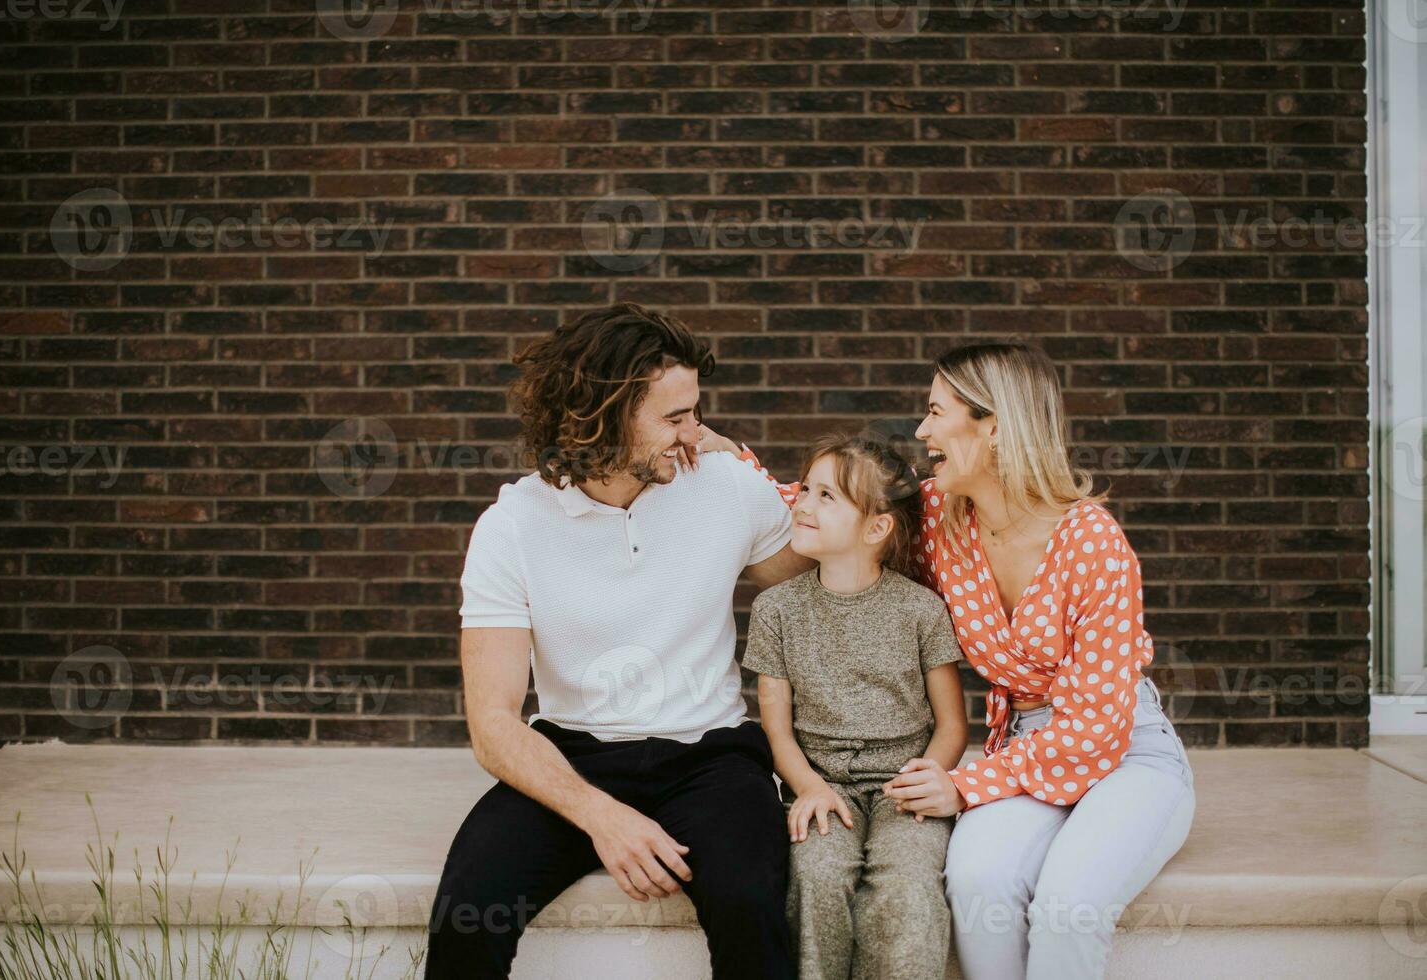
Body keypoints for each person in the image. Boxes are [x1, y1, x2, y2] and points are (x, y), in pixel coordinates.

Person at [705, 341, 1195, 980]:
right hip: (1021, 747)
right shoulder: (941, 517)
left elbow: (1096, 727)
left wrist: (963, 784)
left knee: (1069, 906)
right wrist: (729, 461)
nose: (921, 431)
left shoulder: (1094, 542)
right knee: (976, 882)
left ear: (994, 425)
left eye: (937, 413)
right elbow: (841, 502)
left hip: (1127, 751)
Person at [425, 303, 813, 980]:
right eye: (675, 417)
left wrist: (733, 456)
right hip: (572, 755)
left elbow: (823, 559)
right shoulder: (513, 525)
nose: (695, 431)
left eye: (697, 411)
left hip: (710, 756)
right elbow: (492, 726)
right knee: (466, 912)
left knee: (752, 906)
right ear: (603, 416)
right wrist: (603, 818)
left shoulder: (722, 485)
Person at [743, 432, 968, 980]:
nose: (802, 504)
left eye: (827, 497)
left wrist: (928, 775)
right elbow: (777, 733)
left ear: (876, 527)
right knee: (817, 878)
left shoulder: (921, 609)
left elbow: (952, 725)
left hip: (904, 785)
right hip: (821, 784)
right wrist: (809, 787)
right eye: (806, 490)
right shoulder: (776, 610)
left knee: (907, 885)